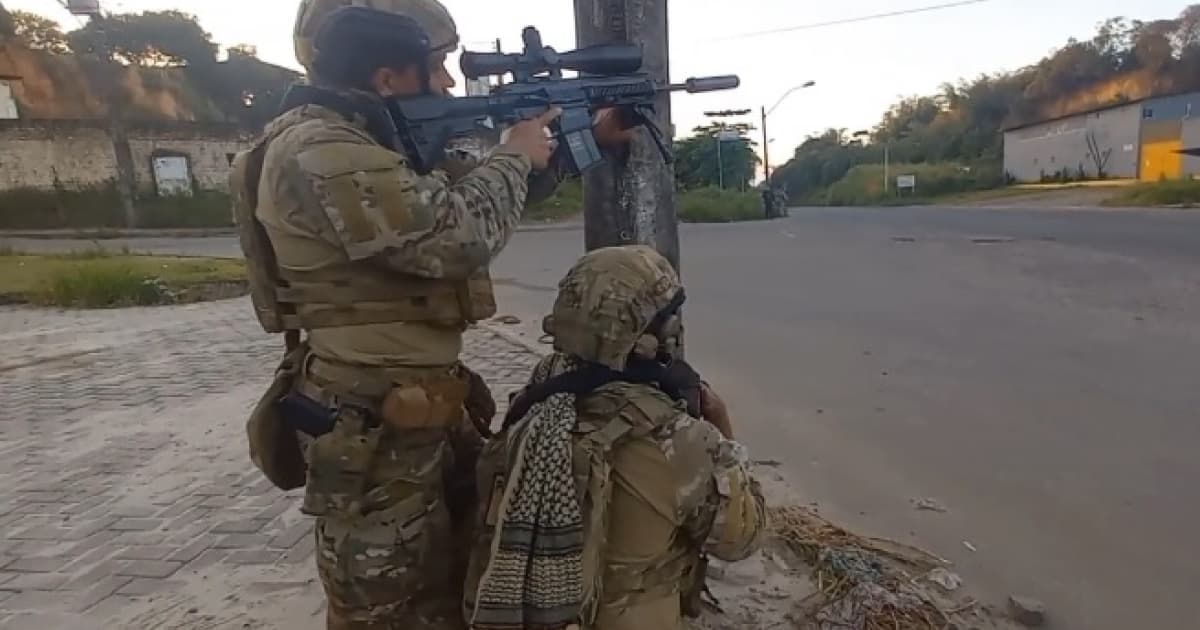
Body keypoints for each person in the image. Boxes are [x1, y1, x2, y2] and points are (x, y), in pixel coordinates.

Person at [231, 1, 630, 628]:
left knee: (449, 575)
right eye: (437, 68)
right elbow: (456, 231)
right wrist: (513, 153)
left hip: (410, 407)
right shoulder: (322, 147)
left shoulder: (361, 140)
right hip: (369, 420)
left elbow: (469, 189)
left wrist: (579, 143)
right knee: (384, 605)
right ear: (388, 79)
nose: (448, 83)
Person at [463, 245, 767, 630]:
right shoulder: (677, 439)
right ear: (654, 334)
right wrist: (722, 427)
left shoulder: (537, 400)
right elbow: (742, 538)